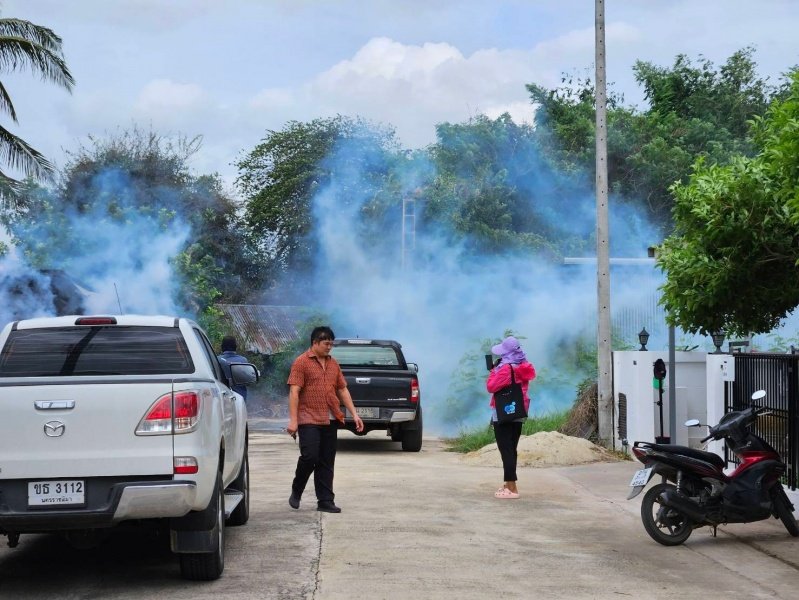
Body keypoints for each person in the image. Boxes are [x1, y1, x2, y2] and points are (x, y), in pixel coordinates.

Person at [286, 326, 364, 513]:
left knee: (326, 461)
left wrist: (354, 413)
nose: (329, 347)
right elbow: (294, 391)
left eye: (331, 344)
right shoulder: (301, 362)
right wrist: (293, 420)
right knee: (310, 456)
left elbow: (342, 389)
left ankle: (325, 501)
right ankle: (297, 490)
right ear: (314, 343)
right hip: (308, 417)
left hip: (330, 418)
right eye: (326, 343)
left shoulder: (333, 364)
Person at [486, 335, 536, 499]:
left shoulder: (506, 368)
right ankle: (508, 484)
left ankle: (512, 487)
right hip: (518, 410)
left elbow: (491, 386)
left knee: (505, 449)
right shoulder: (523, 365)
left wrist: (493, 371)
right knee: (511, 448)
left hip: (503, 411)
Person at [218, 335, 248, 400]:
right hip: (240, 398)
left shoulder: (217, 360)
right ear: (235, 347)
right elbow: (248, 379)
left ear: (222, 347)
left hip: (222, 397)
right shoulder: (243, 360)